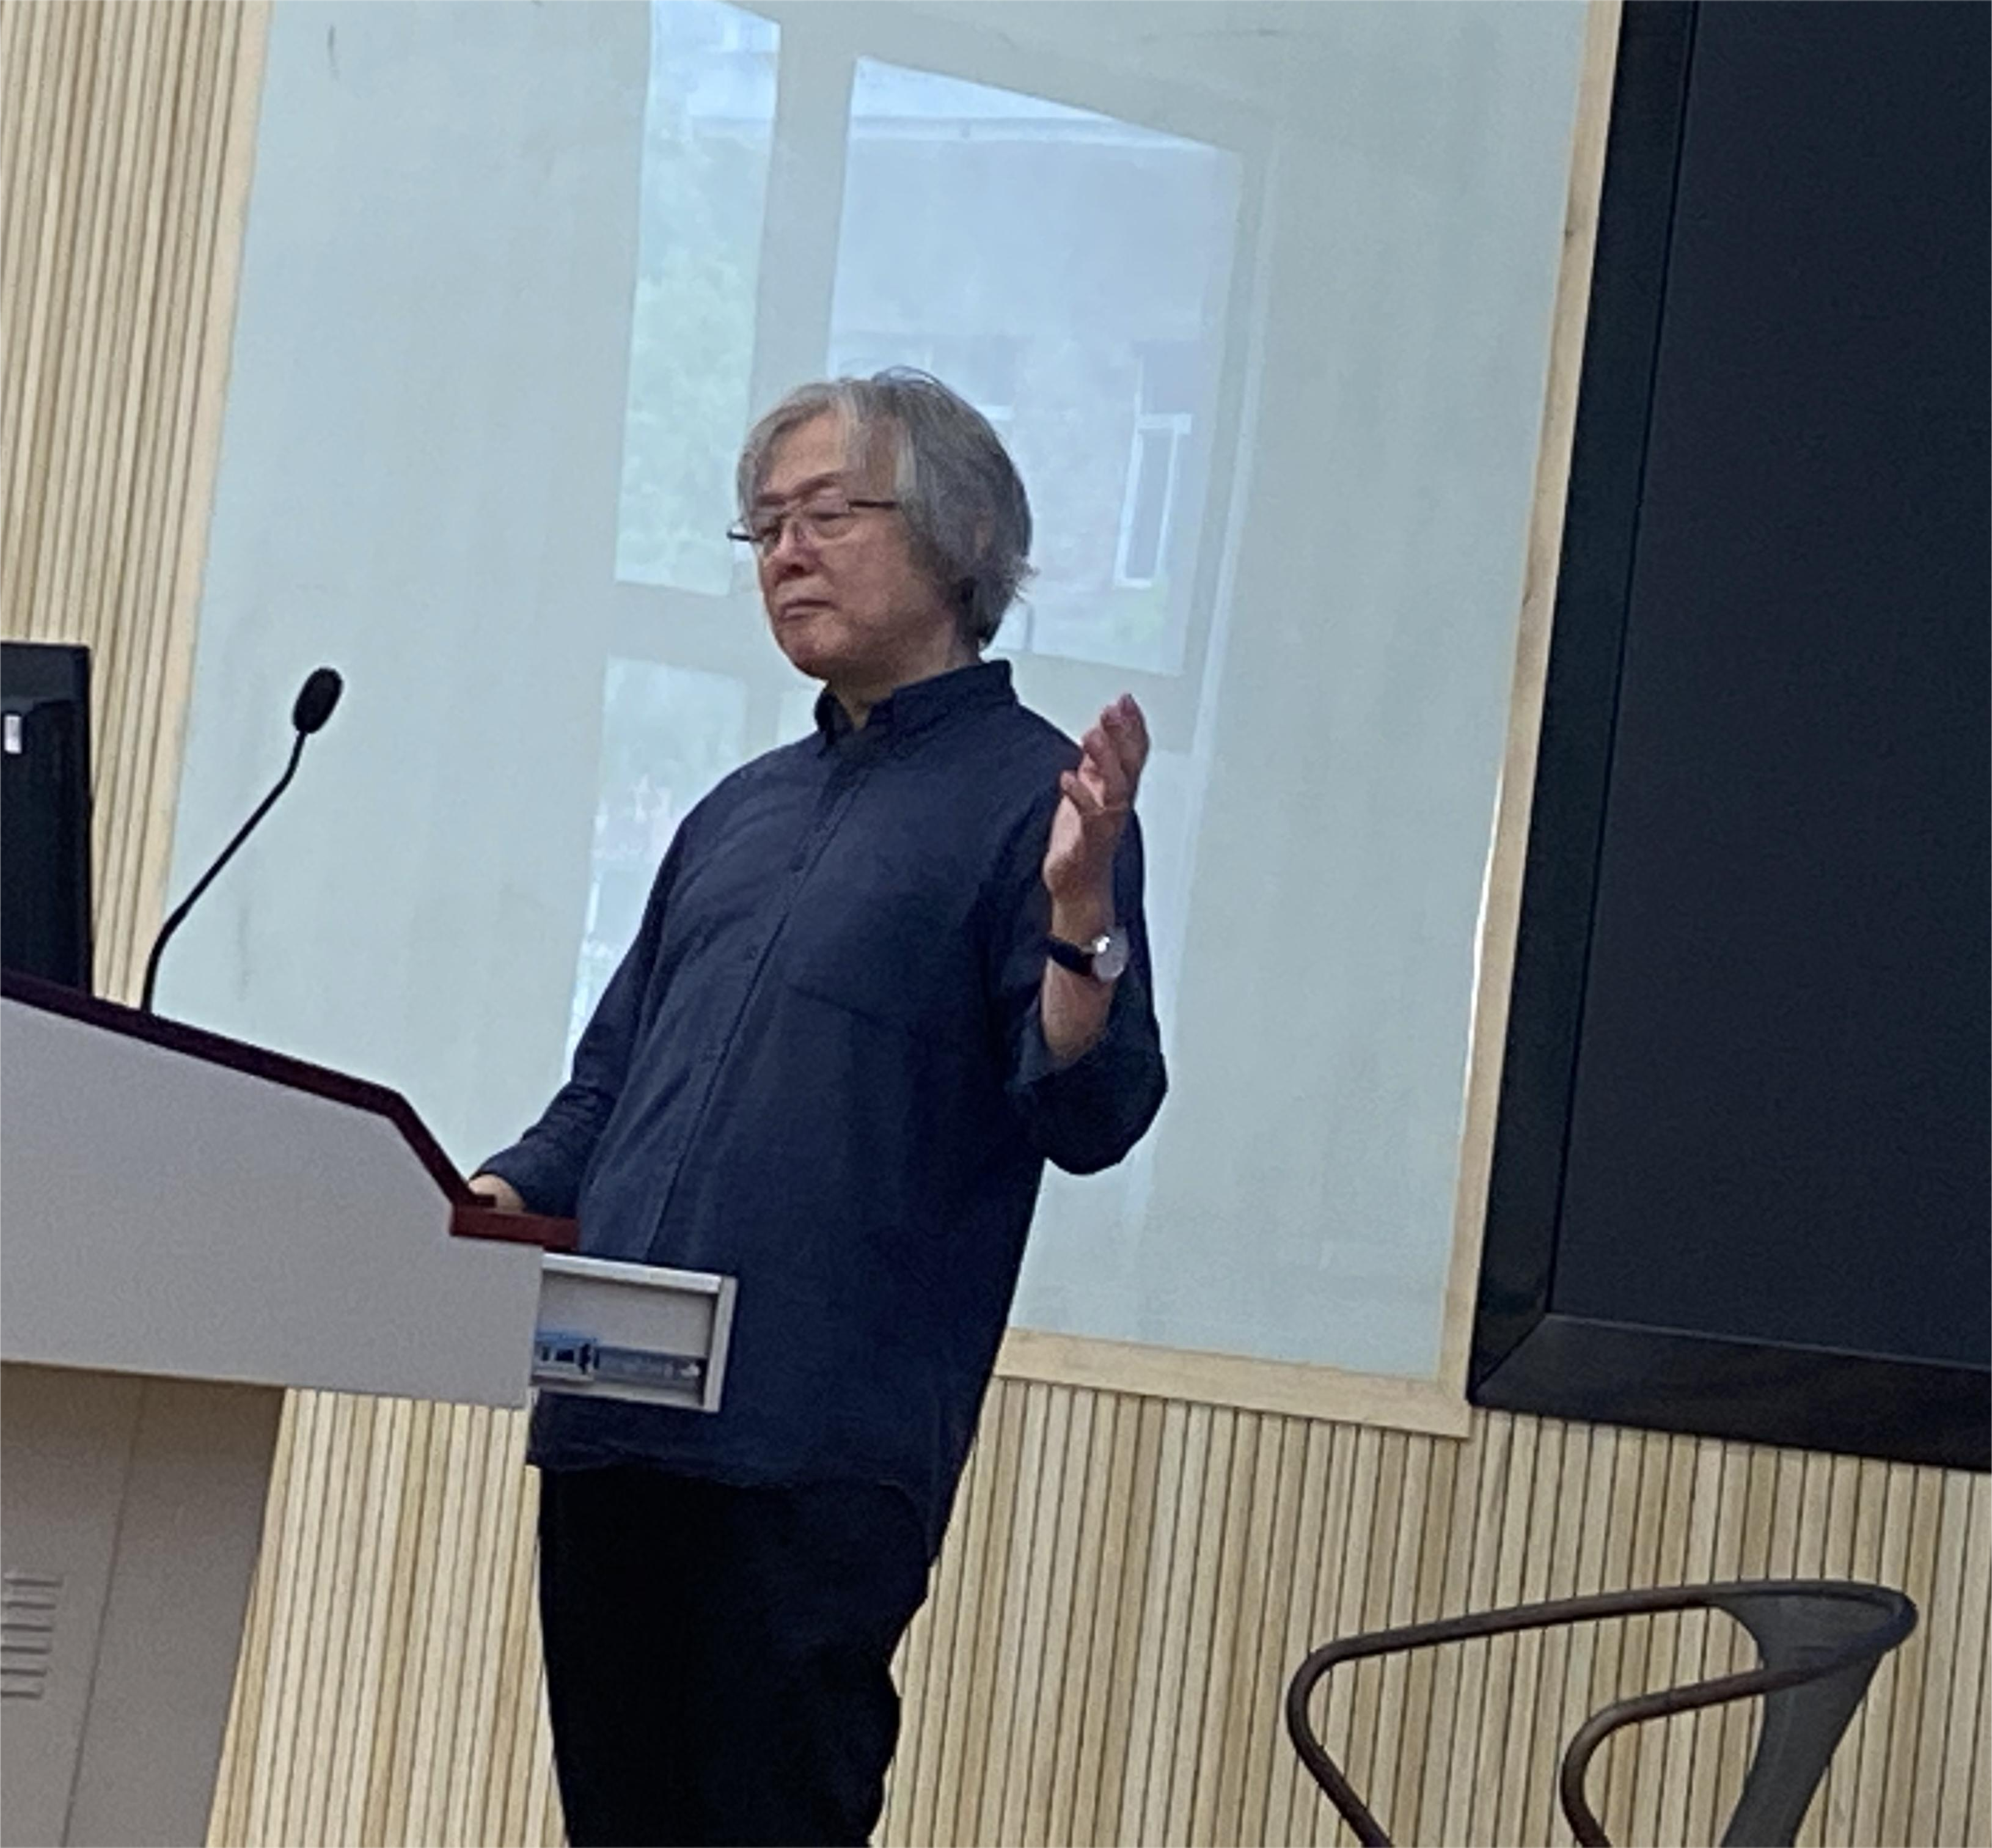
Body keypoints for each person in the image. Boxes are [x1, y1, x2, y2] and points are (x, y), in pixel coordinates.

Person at [470, 369, 1167, 1846]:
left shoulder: (1039, 806)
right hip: (612, 1421)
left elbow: (1094, 1113)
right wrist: (477, 1200)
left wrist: (1080, 926)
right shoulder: (735, 810)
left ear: (961, 536)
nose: (784, 552)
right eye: (764, 526)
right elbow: (606, 1093)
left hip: (813, 1451)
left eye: (827, 515)